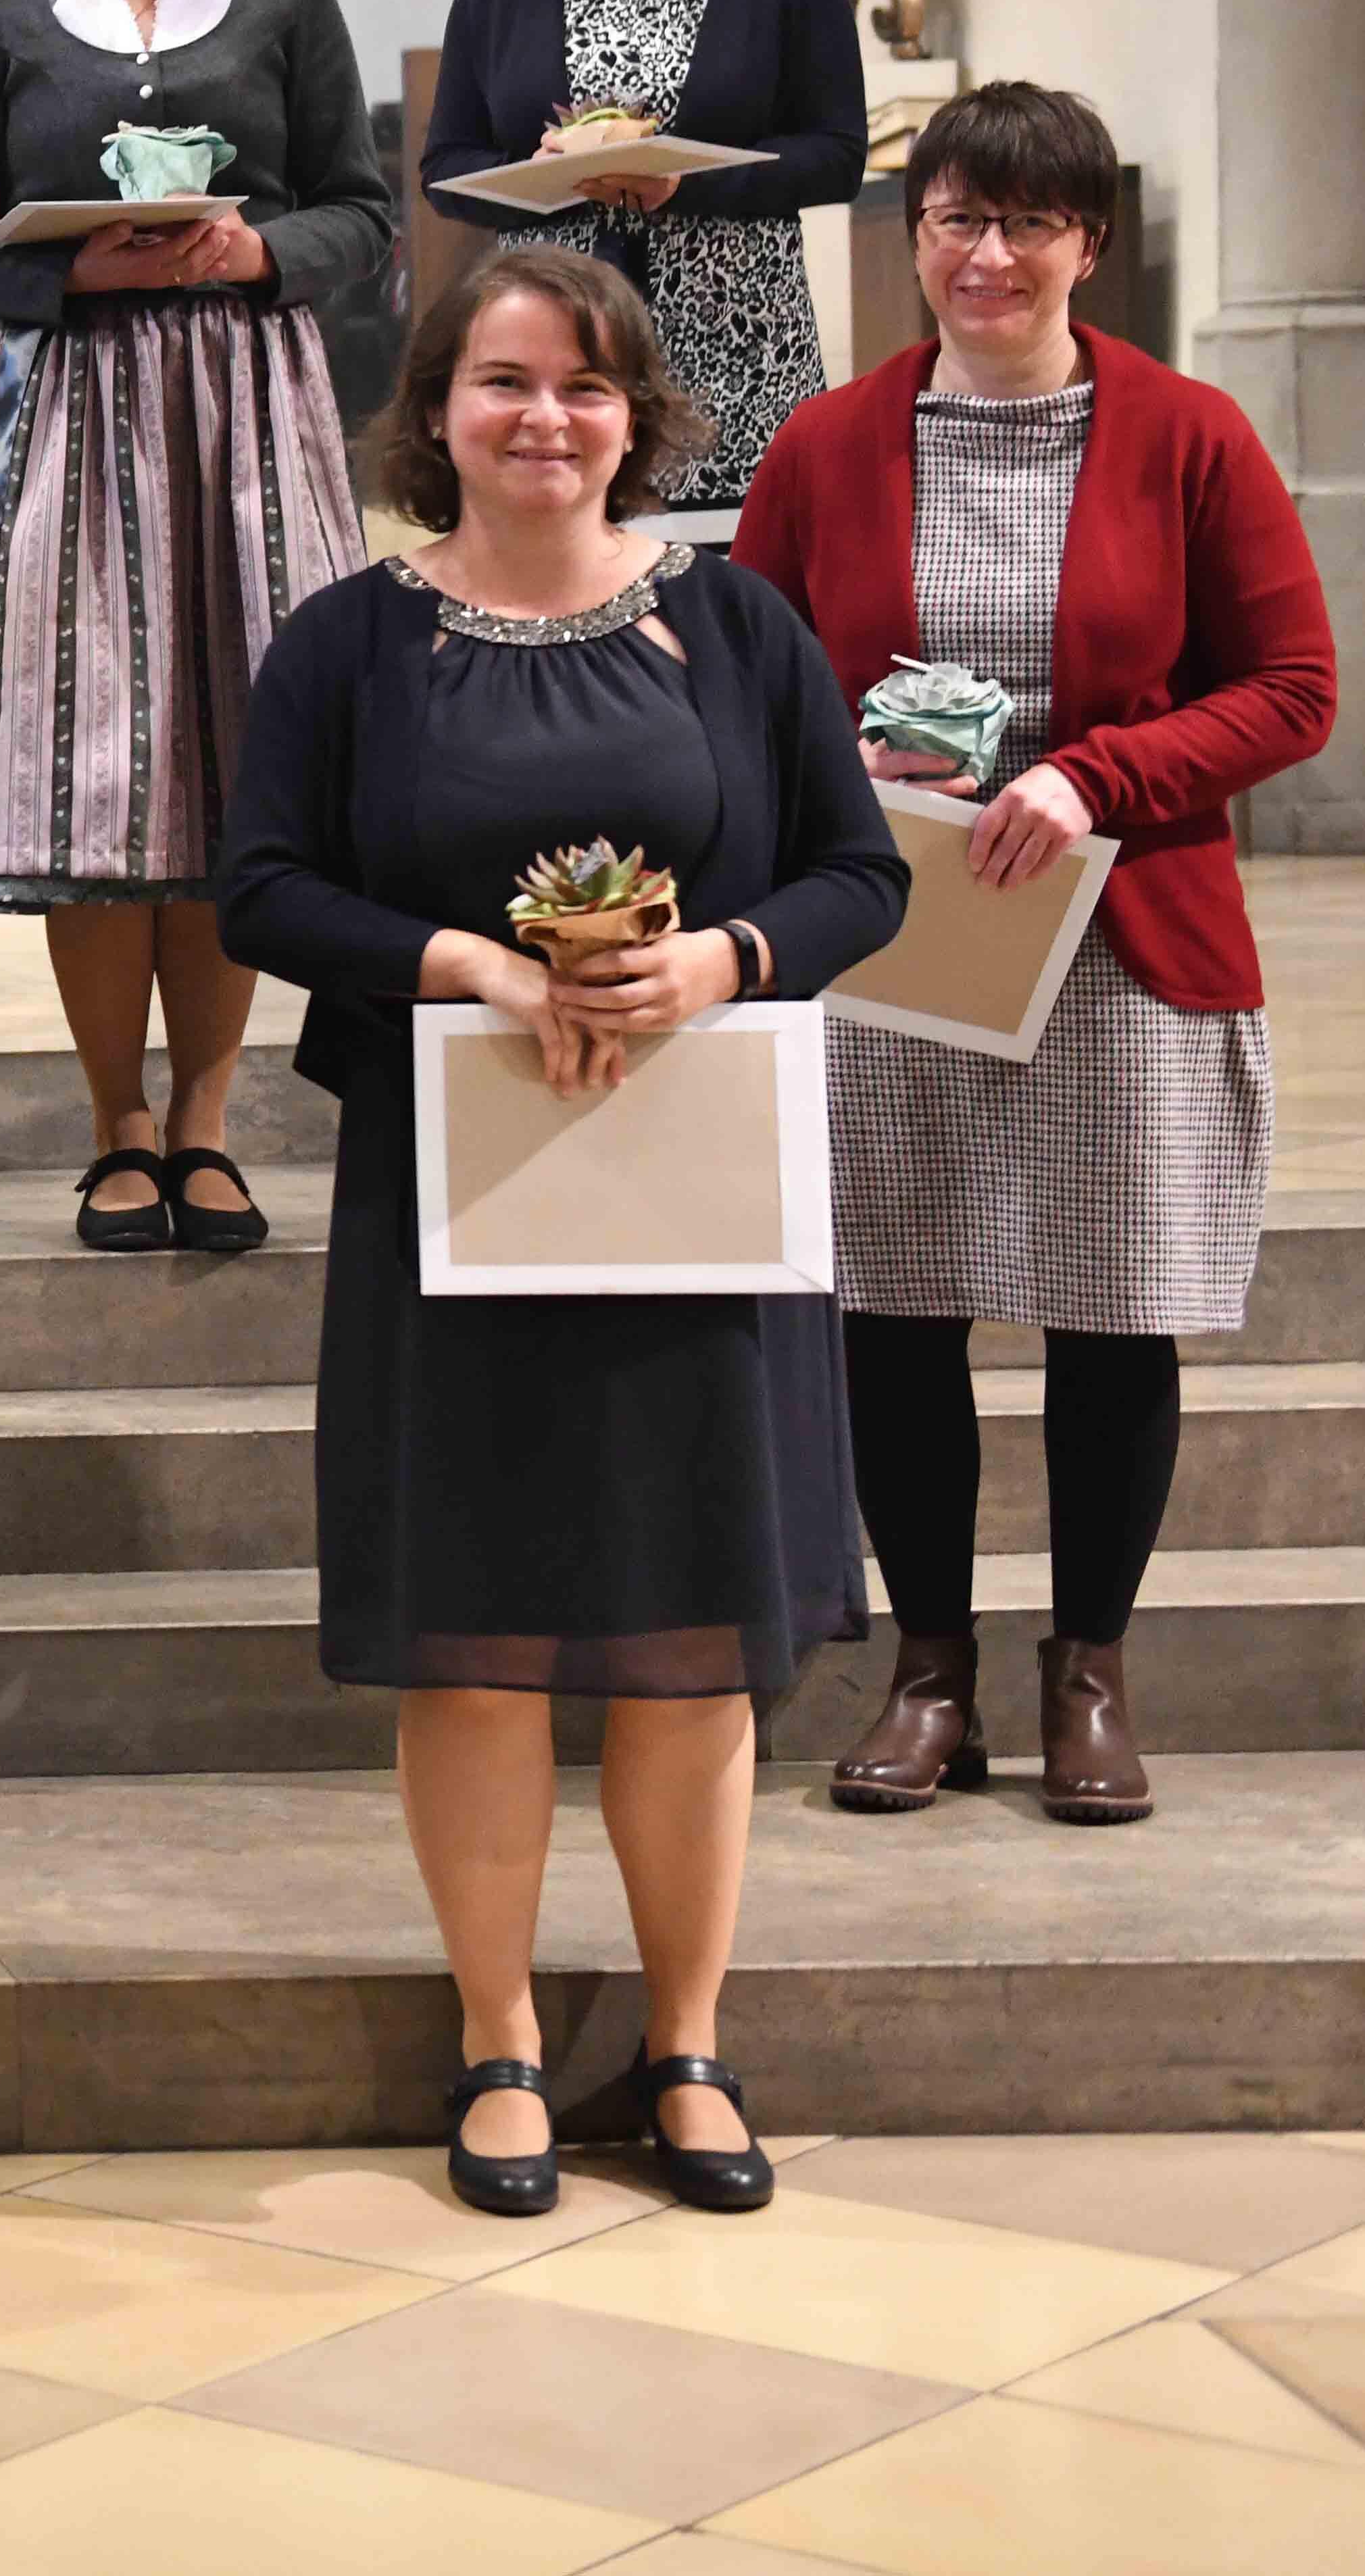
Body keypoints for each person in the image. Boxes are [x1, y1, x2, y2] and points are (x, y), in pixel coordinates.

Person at [222, 246, 905, 2222]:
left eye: (583, 385)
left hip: (697, 1186)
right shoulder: (350, 643)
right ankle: (501, 2034)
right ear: (433, 407)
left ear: (636, 412)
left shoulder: (735, 623)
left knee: (697, 1652)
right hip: (457, 1192)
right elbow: (258, 885)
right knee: (481, 1642)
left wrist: (720, 958)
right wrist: (458, 968)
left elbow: (859, 873)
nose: (543, 418)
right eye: (504, 382)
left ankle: (685, 2040)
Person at [733, 82, 1337, 1824]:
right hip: (901, 933)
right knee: (895, 1311)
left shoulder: (1187, 434)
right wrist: (831, 770)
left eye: (1021, 223)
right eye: (950, 219)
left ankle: (1088, 1671)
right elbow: (753, 682)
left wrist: (1094, 773)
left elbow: (1290, 691)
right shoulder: (826, 442)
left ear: (1085, 243)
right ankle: (928, 1672)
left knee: (1106, 1312)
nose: (983, 255)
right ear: (909, 233)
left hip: (1116, 938)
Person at [0, 0, 387, 1260]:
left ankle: (207, 1123)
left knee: (236, 764)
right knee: (95, 778)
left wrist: (257, 245)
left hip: (245, 408)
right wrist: (65, 277)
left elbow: (361, 217)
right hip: (70, 409)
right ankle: (114, 1122)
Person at [422, 0, 866, 538]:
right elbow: (445, 171)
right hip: (553, 361)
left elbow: (838, 155)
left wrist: (680, 185)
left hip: (742, 356)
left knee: (726, 615)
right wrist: (547, 181)